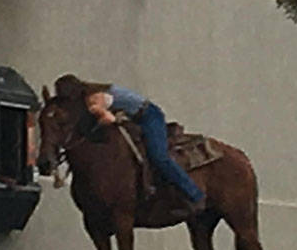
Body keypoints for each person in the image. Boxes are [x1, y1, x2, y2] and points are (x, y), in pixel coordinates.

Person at [83, 80, 207, 215]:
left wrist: (99, 114)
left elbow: (109, 119)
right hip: (135, 119)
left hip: (149, 116)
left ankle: (195, 195)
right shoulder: (97, 93)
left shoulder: (97, 98)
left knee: (159, 156)